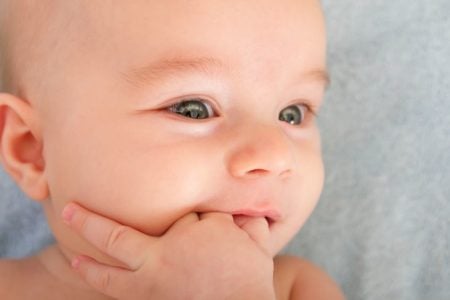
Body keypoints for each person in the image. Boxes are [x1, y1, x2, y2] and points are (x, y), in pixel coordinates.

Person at [0, 0, 344, 299]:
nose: (276, 154)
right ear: (31, 149)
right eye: (192, 109)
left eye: (293, 114)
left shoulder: (296, 289)